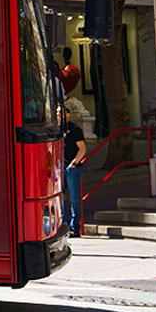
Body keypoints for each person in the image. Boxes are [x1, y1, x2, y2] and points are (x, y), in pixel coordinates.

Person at [62, 99, 90, 236]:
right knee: (60, 198)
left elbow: (82, 148)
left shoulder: (74, 129)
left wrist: (73, 163)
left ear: (68, 115)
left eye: (61, 113)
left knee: (74, 199)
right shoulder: (56, 131)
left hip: (72, 168)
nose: (58, 116)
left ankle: (75, 227)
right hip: (59, 169)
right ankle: (66, 224)